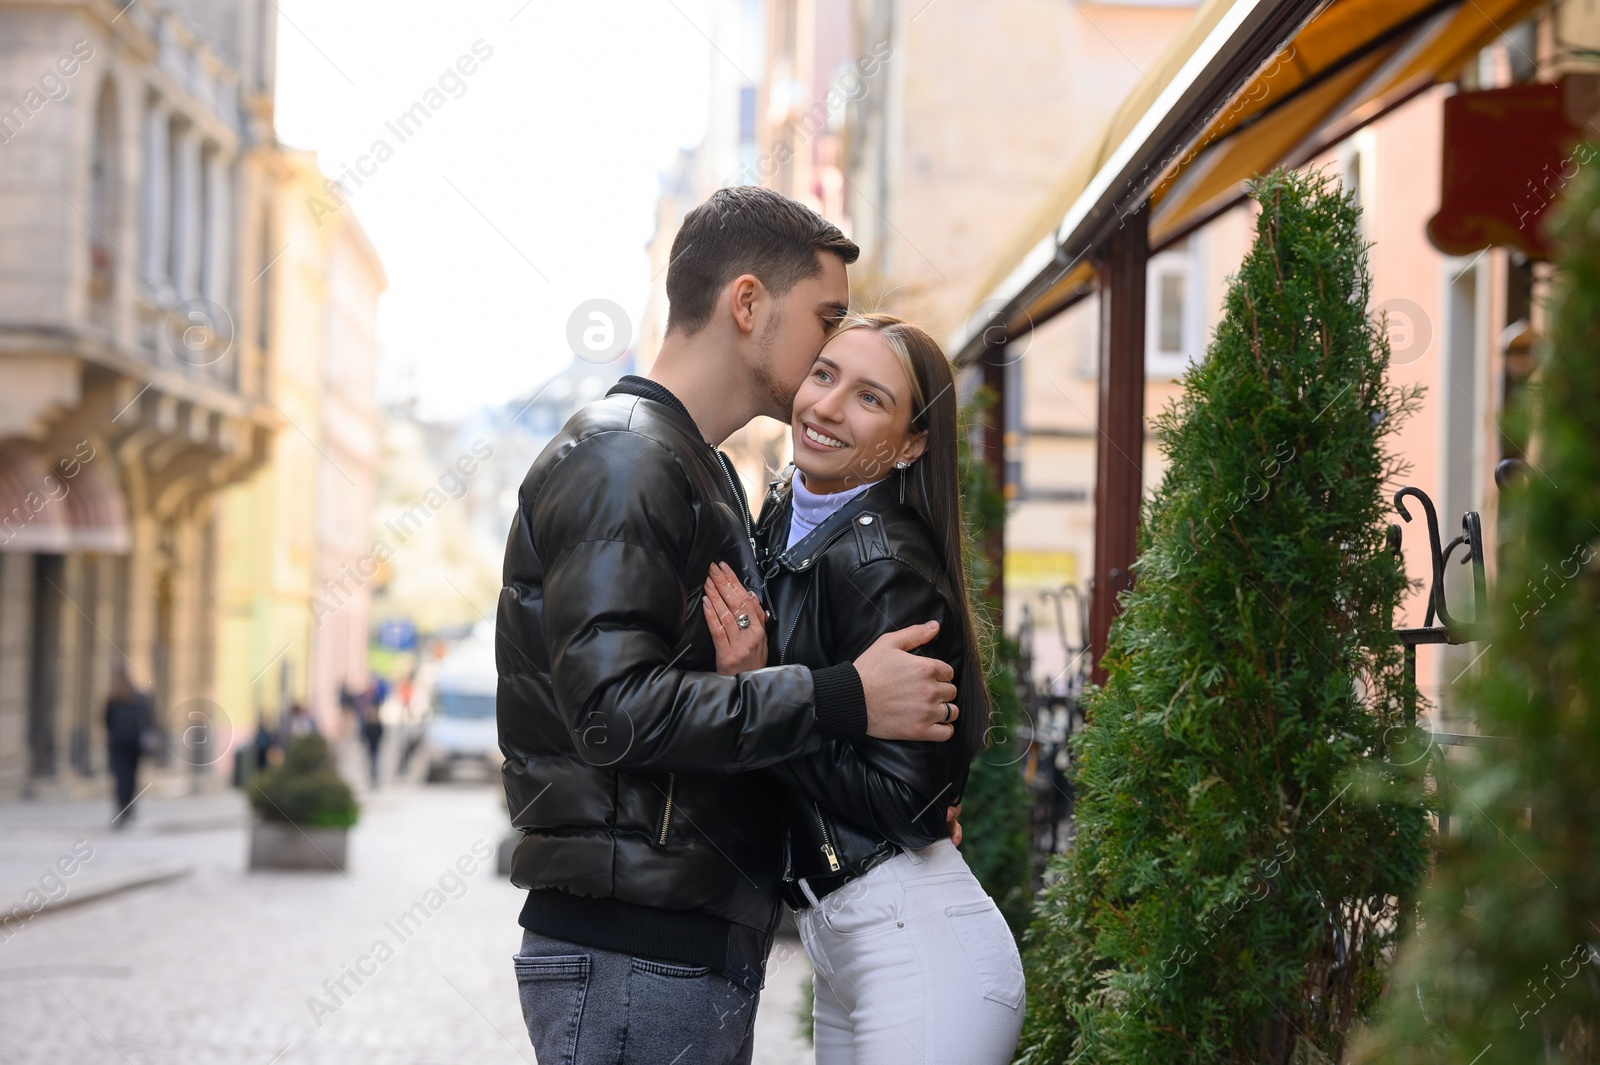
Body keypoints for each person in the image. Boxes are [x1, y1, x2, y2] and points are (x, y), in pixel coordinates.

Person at [498, 186, 961, 1065]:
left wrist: (893, 798)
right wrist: (842, 696)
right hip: (637, 948)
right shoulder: (625, 457)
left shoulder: (693, 464)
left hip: (675, 947)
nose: (832, 344)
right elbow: (615, 712)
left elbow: (712, 712)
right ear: (747, 304)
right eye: (825, 319)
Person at [703, 314, 1026, 1062]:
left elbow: (914, 807)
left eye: (870, 398)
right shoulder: (787, 510)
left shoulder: (885, 564)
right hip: (849, 944)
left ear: (911, 443)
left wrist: (762, 699)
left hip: (916, 945)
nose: (826, 406)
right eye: (824, 374)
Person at [104, 668, 152, 828]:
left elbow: (106, 720)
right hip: (133, 745)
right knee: (131, 777)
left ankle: (122, 806)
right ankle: (128, 807)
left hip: (118, 745)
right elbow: (147, 719)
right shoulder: (138, 697)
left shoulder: (113, 698)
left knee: (120, 777)